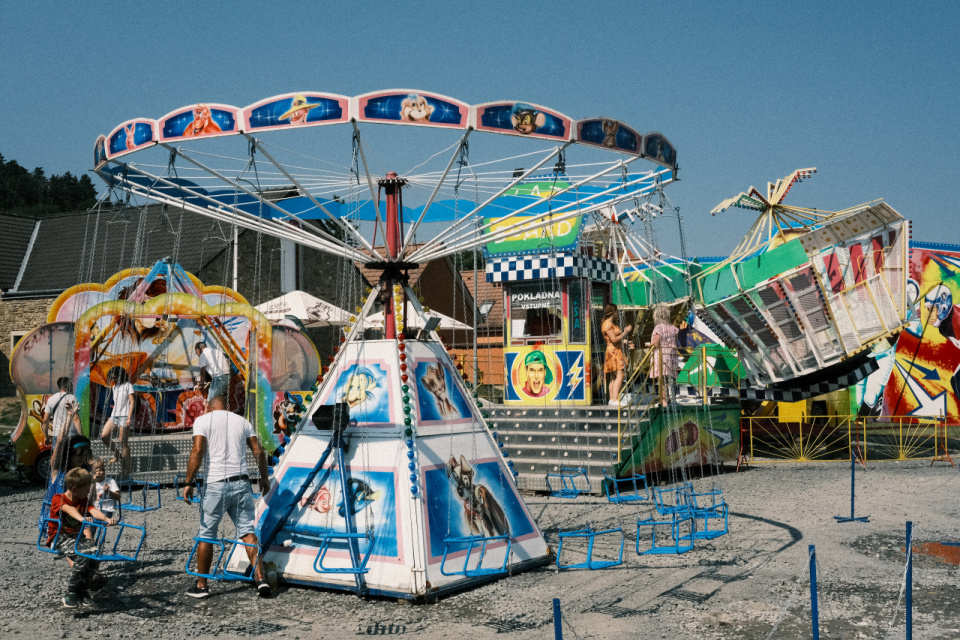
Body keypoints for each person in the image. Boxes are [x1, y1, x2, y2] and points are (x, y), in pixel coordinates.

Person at [183, 395, 272, 599]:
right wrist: (264, 478)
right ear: (229, 405)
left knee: (206, 534)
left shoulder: (203, 421)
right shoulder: (242, 421)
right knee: (248, 531)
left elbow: (197, 451)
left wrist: (188, 482)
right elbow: (259, 451)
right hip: (241, 483)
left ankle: (202, 585)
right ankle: (260, 579)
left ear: (208, 406)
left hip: (215, 484)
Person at [48, 467, 118, 608]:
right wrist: (81, 519)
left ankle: (83, 590)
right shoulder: (59, 498)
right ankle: (71, 592)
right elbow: (69, 509)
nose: (88, 493)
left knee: (94, 554)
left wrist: (106, 518)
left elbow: (93, 510)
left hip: (76, 537)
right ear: (74, 488)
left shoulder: (83, 500)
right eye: (86, 489)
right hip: (59, 537)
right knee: (84, 554)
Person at [100, 367, 135, 473]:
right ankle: (117, 454)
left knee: (122, 442)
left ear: (120, 375)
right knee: (104, 436)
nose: (112, 379)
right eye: (111, 377)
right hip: (114, 416)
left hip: (125, 416)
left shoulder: (128, 385)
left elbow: (132, 402)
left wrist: (129, 417)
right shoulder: (114, 387)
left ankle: (127, 467)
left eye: (114, 377)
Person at [601, 304, 634, 406]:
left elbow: (616, 338)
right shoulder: (608, 325)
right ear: (613, 312)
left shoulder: (611, 323)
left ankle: (612, 399)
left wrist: (626, 342)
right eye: (617, 311)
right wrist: (625, 332)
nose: (618, 313)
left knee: (613, 377)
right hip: (614, 352)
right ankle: (615, 399)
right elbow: (613, 339)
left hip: (616, 350)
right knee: (620, 374)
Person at [649, 305, 680, 407]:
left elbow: (656, 343)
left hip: (661, 355)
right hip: (671, 355)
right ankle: (673, 399)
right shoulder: (673, 328)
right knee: (670, 379)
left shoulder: (658, 327)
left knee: (661, 380)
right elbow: (675, 342)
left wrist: (649, 344)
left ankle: (664, 401)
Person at [41, 377, 82, 447]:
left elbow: (45, 421)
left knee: (58, 456)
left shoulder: (51, 399)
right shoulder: (72, 398)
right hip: (71, 435)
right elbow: (76, 418)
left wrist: (47, 436)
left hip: (57, 435)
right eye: (70, 384)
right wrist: (81, 436)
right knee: (70, 457)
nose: (72, 385)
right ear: (66, 385)